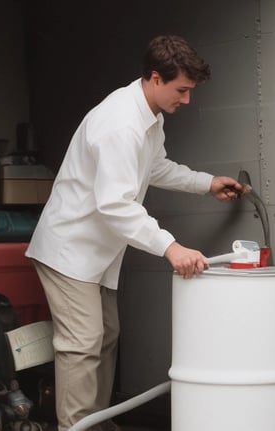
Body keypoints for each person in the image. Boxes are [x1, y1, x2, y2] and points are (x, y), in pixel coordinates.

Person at [25, 35, 245, 431]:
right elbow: (116, 205)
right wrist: (170, 247)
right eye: (182, 90)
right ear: (155, 78)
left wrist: (206, 182)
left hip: (98, 253)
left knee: (106, 337)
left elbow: (154, 167)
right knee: (82, 344)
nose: (187, 100)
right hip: (70, 250)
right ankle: (75, 427)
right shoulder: (120, 124)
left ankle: (97, 422)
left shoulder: (149, 116)